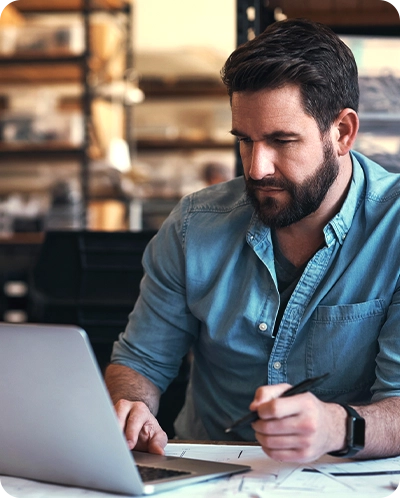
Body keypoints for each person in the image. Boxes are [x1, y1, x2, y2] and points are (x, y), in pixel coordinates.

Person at [105, 18, 400, 463]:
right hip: (204, 469)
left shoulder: (393, 228)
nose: (256, 168)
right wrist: (132, 407)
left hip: (345, 478)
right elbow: (140, 362)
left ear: (341, 133)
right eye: (245, 141)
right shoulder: (193, 226)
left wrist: (336, 427)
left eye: (282, 140)